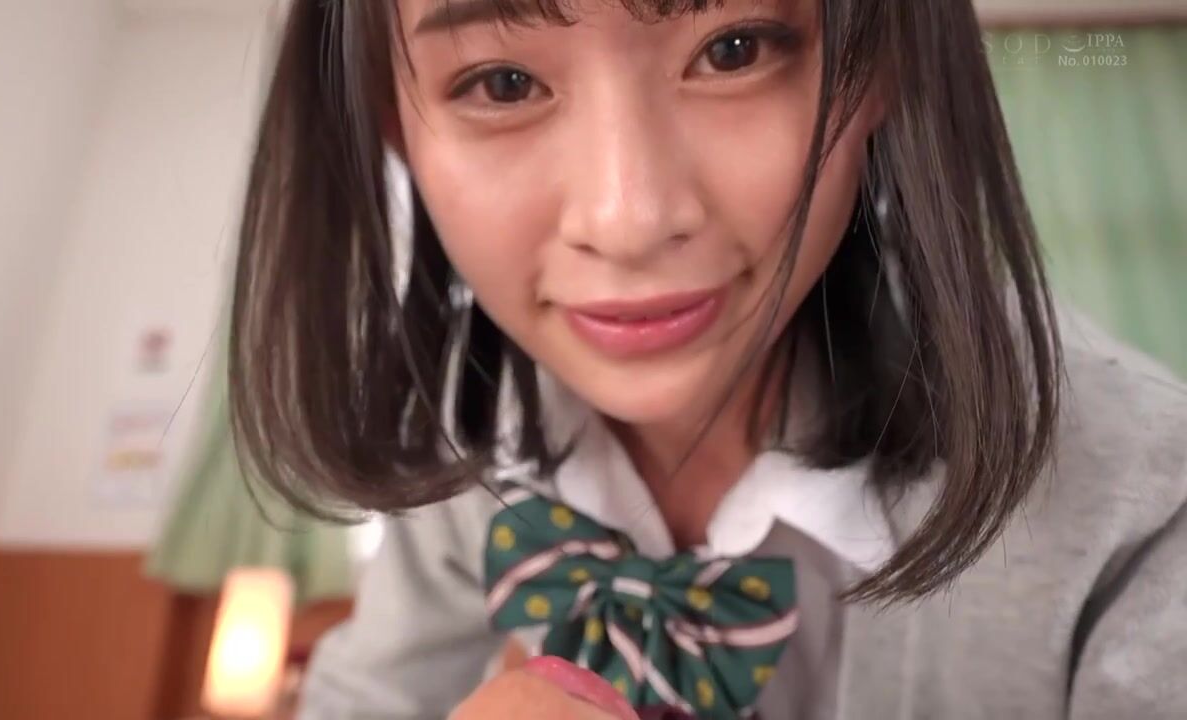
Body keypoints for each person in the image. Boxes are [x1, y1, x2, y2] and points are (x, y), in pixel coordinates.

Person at [227, 0, 1187, 717]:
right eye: (502, 83)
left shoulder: (1140, 501)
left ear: (881, 62)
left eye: (734, 49)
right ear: (391, 120)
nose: (630, 219)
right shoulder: (470, 435)